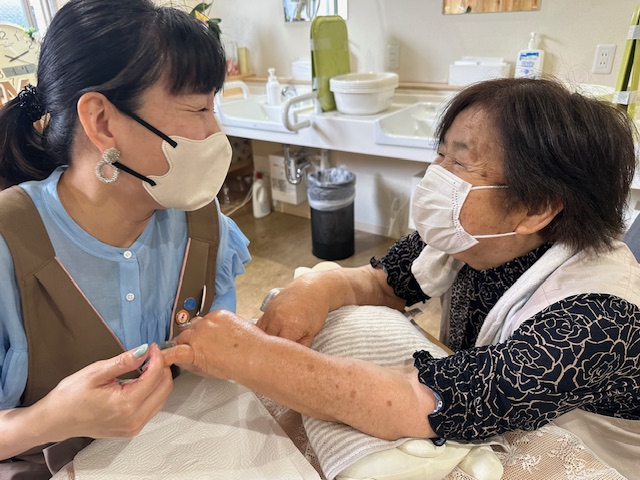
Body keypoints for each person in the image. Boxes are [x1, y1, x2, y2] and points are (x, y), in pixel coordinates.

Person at [162, 78, 640, 478]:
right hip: (500, 418)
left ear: (536, 208)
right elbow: (379, 284)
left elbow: (422, 401)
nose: (436, 176)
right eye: (441, 155)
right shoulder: (468, 237)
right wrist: (315, 287)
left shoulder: (596, 319)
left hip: (580, 460)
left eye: (460, 163)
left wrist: (253, 356)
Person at [0, 0, 250, 477]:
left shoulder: (202, 221)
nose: (215, 131)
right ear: (101, 121)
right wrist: (48, 418)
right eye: (198, 108)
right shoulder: (9, 243)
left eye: (213, 107)